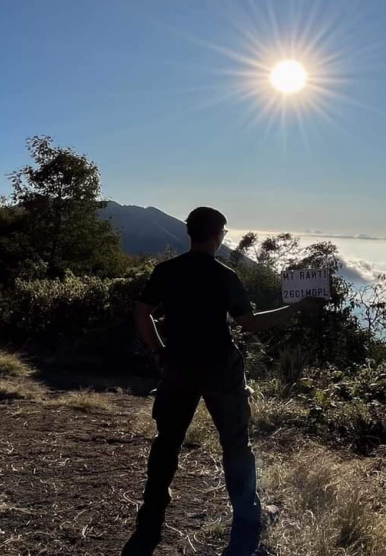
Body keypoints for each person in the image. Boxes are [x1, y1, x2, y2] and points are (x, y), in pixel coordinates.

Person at [122, 207, 322, 556]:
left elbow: (142, 312)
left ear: (190, 233)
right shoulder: (224, 275)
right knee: (235, 444)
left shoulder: (167, 271)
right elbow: (249, 323)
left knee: (167, 439)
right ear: (218, 234)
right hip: (220, 369)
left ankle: (153, 508)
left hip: (177, 367)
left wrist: (159, 352)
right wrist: (298, 308)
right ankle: (248, 516)